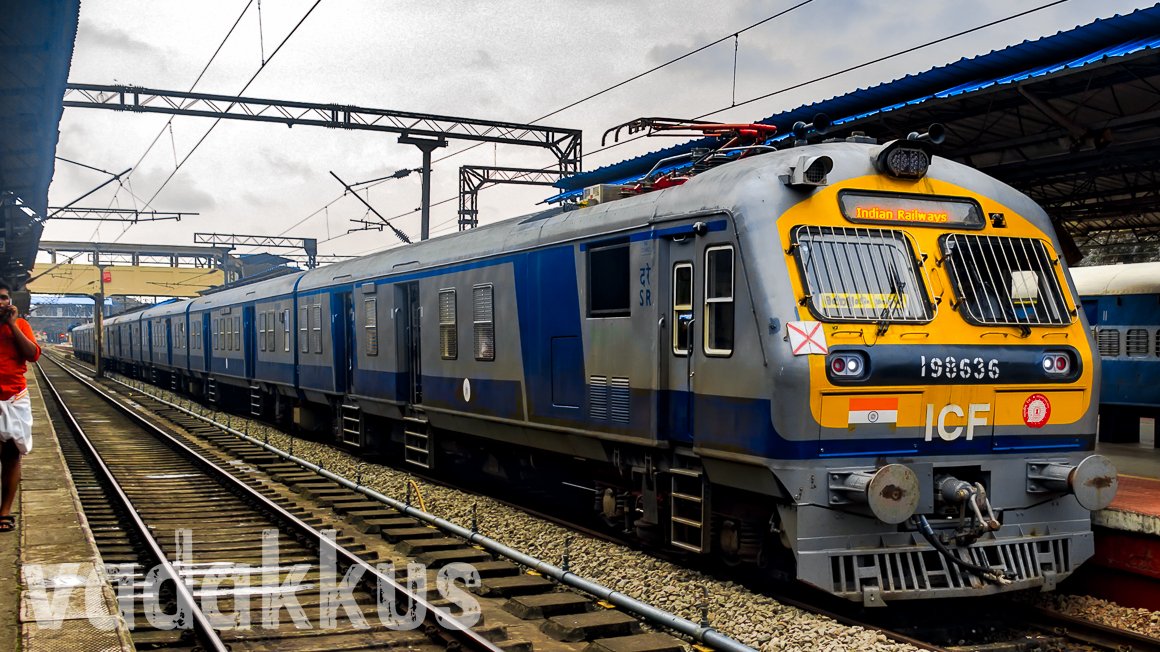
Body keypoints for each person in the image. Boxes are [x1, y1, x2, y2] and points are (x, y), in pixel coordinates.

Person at [0, 283, 41, 533]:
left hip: (14, 396)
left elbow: (33, 354)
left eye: (4, 298)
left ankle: (5, 510)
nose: (1, 302)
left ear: (10, 301)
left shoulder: (21, 326)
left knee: (12, 453)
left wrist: (13, 325)